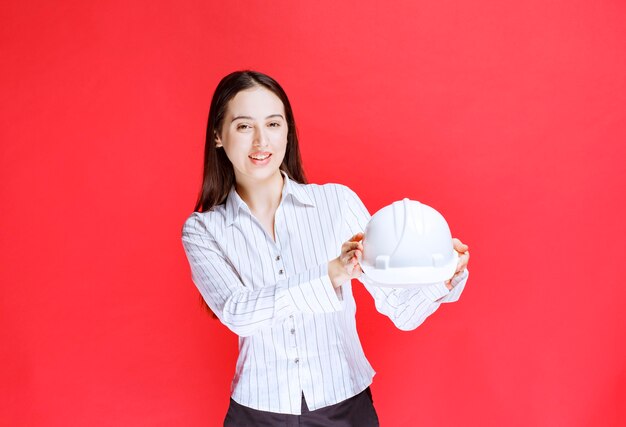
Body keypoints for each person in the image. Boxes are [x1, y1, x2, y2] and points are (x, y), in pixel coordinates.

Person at [181, 70, 470, 426]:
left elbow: (401, 312)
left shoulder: (336, 203)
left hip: (346, 408)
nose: (261, 141)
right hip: (256, 413)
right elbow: (237, 313)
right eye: (243, 126)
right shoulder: (203, 230)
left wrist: (442, 276)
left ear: (288, 131)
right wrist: (329, 274)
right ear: (218, 137)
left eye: (273, 124)